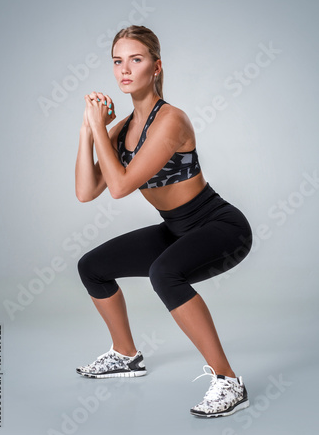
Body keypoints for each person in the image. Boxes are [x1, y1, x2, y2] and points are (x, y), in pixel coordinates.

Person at [74, 25, 253, 418]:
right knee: (92, 267)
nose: (124, 70)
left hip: (220, 226)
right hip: (175, 228)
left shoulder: (171, 120)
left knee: (165, 273)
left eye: (135, 60)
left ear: (156, 67)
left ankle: (228, 380)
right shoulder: (120, 131)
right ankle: (125, 355)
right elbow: (87, 192)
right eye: (117, 61)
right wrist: (90, 130)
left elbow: (119, 188)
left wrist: (98, 127)